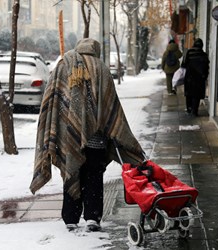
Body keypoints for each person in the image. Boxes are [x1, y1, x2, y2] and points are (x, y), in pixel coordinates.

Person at [29, 38, 145, 232]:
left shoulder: (63, 66)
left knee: (71, 171)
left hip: (67, 136)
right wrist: (124, 138)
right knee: (93, 175)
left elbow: (51, 98)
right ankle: (92, 217)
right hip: (96, 138)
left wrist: (56, 125)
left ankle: (70, 218)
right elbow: (111, 107)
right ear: (95, 51)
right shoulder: (101, 68)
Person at [182, 38, 210, 116]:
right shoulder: (204, 55)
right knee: (196, 95)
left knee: (189, 93)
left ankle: (189, 108)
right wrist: (205, 76)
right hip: (199, 78)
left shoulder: (189, 52)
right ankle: (195, 110)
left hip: (189, 77)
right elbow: (206, 67)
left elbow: (184, 64)